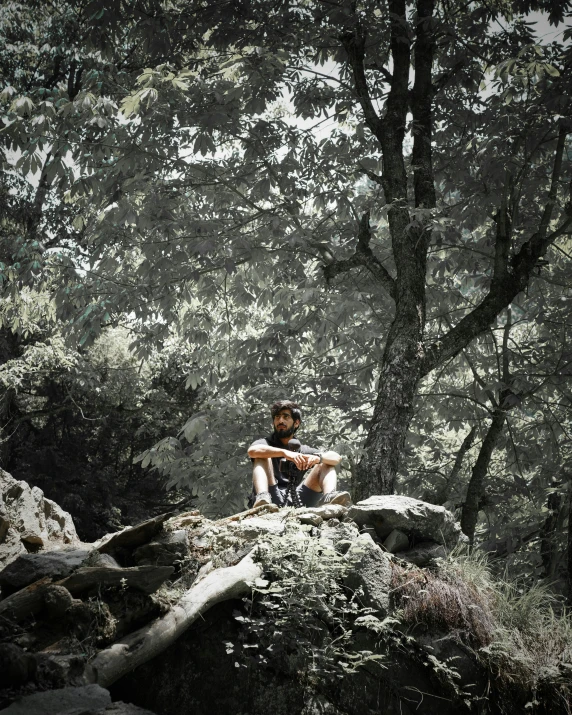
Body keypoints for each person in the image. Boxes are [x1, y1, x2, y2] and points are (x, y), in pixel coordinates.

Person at [247, 399, 351, 508]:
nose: (280, 420)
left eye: (286, 417)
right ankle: (262, 497)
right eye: (277, 417)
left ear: (296, 423)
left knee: (325, 463)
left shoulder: (302, 449)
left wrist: (317, 458)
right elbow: (252, 451)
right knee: (261, 456)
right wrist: (285, 453)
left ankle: (330, 499)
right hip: (270, 496)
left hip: (297, 497)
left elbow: (336, 458)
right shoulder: (265, 443)